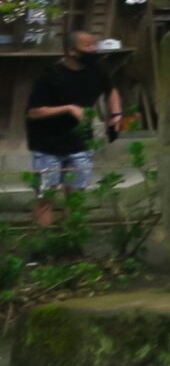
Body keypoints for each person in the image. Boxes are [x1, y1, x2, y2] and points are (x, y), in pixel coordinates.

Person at [25, 28, 124, 227]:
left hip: (80, 143)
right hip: (47, 145)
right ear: (72, 51)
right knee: (46, 196)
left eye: (94, 44)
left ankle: (71, 242)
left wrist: (116, 114)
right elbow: (33, 112)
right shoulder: (50, 76)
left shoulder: (98, 70)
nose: (93, 49)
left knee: (76, 196)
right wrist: (68, 109)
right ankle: (42, 247)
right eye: (87, 46)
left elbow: (111, 90)